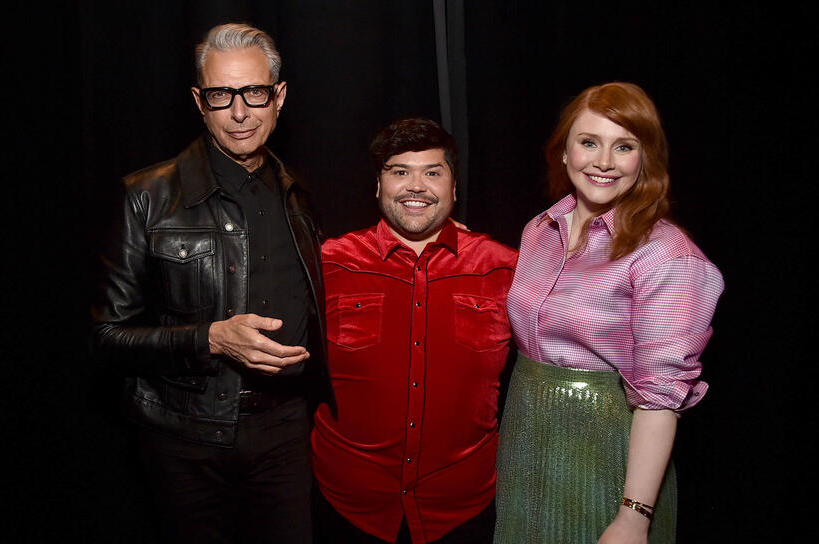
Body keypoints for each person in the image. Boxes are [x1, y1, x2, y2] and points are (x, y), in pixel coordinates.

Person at [90, 23, 331, 544]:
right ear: (200, 102)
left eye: (255, 92)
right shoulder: (146, 196)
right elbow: (106, 338)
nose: (240, 112)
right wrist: (210, 338)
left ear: (279, 96)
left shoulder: (298, 194)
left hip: (285, 431)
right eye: (222, 95)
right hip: (183, 440)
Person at [493, 82, 724, 543]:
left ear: (645, 159)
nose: (603, 161)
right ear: (564, 152)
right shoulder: (539, 229)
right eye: (588, 142)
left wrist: (634, 516)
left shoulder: (667, 256)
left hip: (609, 460)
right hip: (525, 449)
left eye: (624, 147)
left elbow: (661, 399)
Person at [310, 118, 518, 543]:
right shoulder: (326, 264)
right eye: (400, 171)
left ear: (454, 188)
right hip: (349, 507)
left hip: (462, 509)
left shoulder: (506, 268)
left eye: (432, 172)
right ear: (378, 186)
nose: (416, 186)